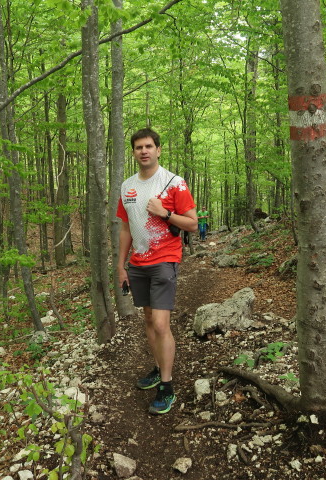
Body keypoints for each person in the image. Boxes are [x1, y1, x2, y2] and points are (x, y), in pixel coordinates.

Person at [116, 128, 197, 415]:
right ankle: (159, 366)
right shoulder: (127, 186)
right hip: (137, 264)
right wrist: (120, 265)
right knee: (149, 321)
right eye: (138, 147)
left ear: (158, 150)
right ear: (134, 152)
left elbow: (193, 224)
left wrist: (164, 213)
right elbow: (125, 228)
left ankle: (167, 385)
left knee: (162, 324)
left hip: (165, 259)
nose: (144, 151)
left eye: (149, 146)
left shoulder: (175, 183)